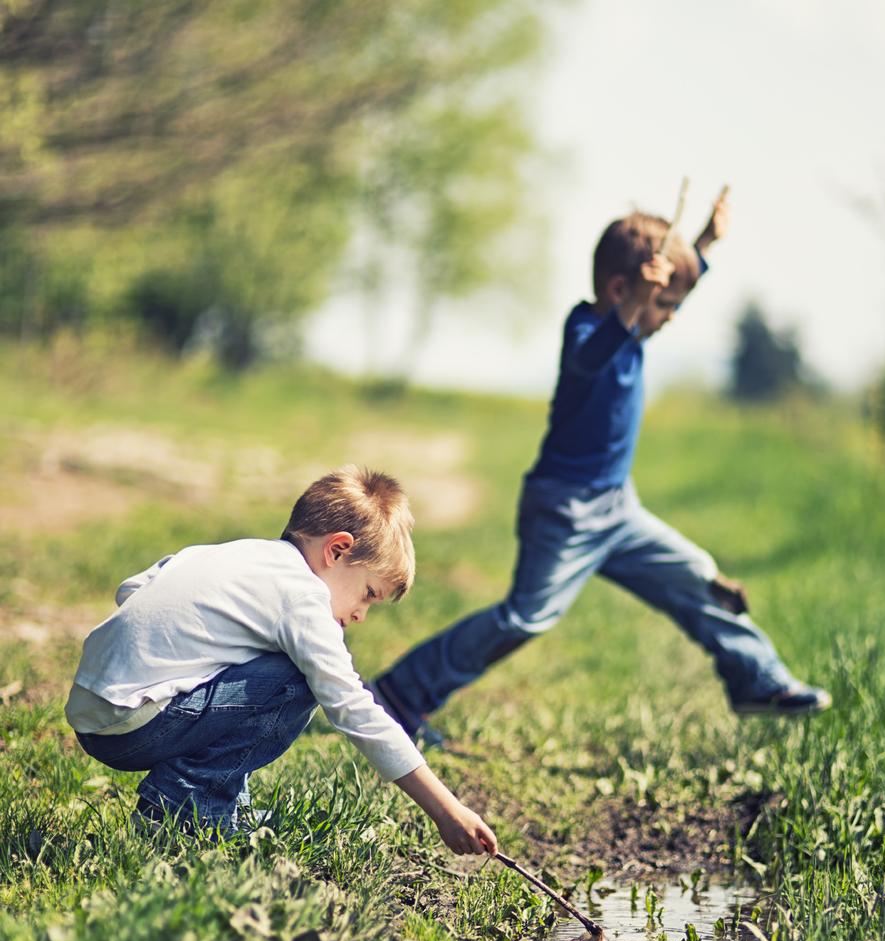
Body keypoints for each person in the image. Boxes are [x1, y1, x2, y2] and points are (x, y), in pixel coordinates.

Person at [371, 191, 831, 745]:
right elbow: (593, 357)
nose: (670, 319)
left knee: (699, 579)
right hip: (564, 511)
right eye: (665, 306)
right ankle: (401, 693)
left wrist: (704, 242)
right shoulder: (588, 332)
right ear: (623, 290)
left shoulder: (633, 329)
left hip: (619, 509)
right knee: (524, 619)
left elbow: (665, 292)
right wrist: (637, 305)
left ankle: (757, 680)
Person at [64, 465, 497, 854]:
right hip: (135, 725)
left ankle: (228, 809)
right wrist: (446, 809)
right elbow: (354, 708)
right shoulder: (302, 595)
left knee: (268, 668)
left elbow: (132, 590)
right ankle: (181, 812)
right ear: (338, 551)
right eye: (368, 593)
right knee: (297, 678)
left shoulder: (235, 553)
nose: (361, 615)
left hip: (92, 711)